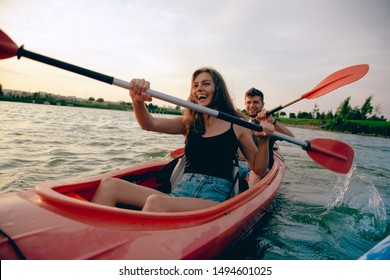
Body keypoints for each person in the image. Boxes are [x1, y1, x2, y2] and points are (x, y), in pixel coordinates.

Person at [91, 67, 274, 212]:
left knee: (156, 203)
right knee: (109, 185)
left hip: (213, 200)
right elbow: (150, 124)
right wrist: (137, 101)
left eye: (206, 84)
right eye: (195, 85)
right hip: (180, 191)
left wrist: (264, 141)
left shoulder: (237, 124)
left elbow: (258, 168)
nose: (199, 88)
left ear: (217, 88)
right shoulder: (189, 123)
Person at [239, 87, 294, 187]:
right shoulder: (242, 124)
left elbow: (291, 138)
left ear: (262, 104)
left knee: (255, 175)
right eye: (248, 102)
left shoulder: (269, 125)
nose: (251, 105)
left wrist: (273, 121)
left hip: (259, 169)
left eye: (255, 102)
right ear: (245, 104)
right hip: (240, 165)